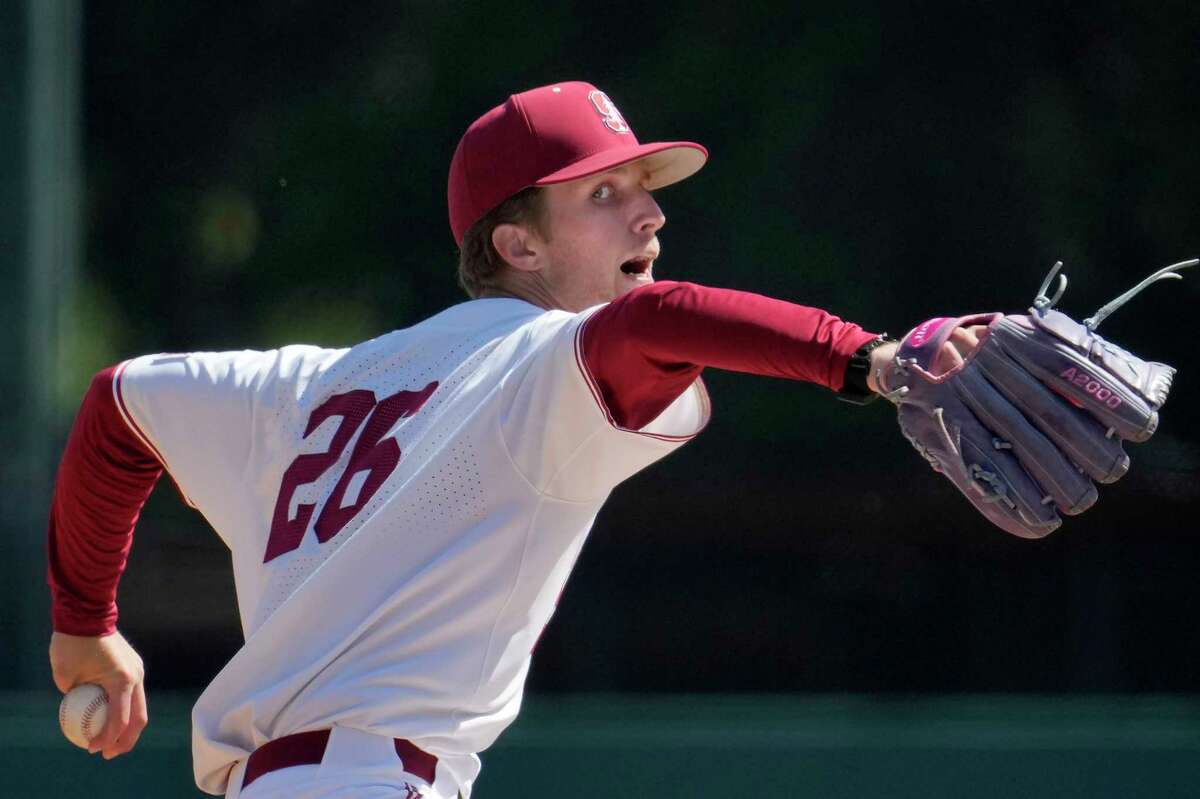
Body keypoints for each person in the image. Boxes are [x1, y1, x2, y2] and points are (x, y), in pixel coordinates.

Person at [47, 81, 983, 798]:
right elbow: (661, 320)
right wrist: (873, 359)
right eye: (605, 192)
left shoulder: (299, 383)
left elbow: (117, 406)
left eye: (644, 189)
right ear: (518, 247)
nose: (650, 213)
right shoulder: (539, 366)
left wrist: (84, 630)